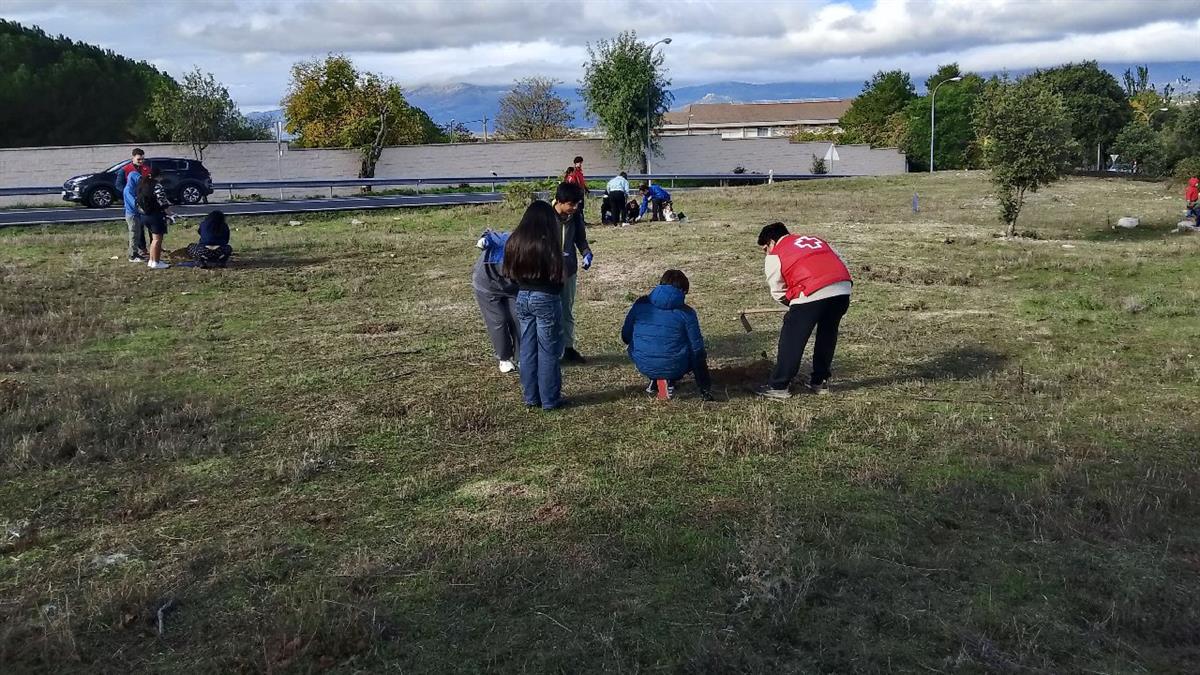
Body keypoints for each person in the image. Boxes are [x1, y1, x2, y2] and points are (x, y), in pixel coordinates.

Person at [755, 222, 852, 399]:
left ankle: (778, 386)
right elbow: (839, 260)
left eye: (765, 248)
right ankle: (819, 382)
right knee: (827, 334)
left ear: (771, 242)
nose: (766, 253)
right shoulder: (816, 240)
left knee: (792, 337)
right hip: (842, 288)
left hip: (811, 290)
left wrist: (795, 307)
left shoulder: (776, 254)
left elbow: (778, 291)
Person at [503, 201, 567, 410]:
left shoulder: (515, 241)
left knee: (528, 349)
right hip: (546, 297)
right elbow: (560, 277)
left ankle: (531, 397)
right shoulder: (549, 244)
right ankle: (550, 399)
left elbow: (508, 272)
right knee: (548, 350)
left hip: (522, 296)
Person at [621, 269, 714, 401]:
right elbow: (697, 350)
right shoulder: (687, 313)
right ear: (682, 291)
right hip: (675, 366)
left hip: (644, 364)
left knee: (642, 344)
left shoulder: (640, 304)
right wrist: (705, 386)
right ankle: (670, 380)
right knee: (692, 351)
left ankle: (656, 378)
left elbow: (625, 336)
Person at [551, 181, 592, 363]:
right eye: (571, 204)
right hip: (547, 273)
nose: (574, 208)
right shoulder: (544, 215)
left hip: (568, 271)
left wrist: (587, 253)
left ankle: (568, 348)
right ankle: (550, 351)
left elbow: (581, 240)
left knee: (566, 310)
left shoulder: (575, 217)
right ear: (559, 201)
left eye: (577, 204)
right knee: (549, 310)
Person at [473, 228, 520, 373]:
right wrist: (484, 240)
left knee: (518, 318)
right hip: (488, 286)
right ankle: (504, 358)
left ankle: (521, 357)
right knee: (498, 320)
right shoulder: (503, 240)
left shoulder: (530, 247)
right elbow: (489, 235)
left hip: (514, 287)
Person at [137, 167, 172, 270]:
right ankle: (156, 262)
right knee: (157, 240)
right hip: (155, 216)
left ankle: (152, 261)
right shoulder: (157, 186)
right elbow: (163, 202)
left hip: (144, 216)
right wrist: (170, 214)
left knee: (153, 240)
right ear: (158, 176)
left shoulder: (142, 184)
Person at [122, 162, 148, 262]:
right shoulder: (128, 190)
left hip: (136, 214)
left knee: (137, 234)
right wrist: (144, 210)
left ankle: (136, 253)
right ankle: (132, 256)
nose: (140, 182)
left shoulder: (134, 188)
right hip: (132, 215)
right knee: (133, 234)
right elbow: (134, 203)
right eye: (138, 180)